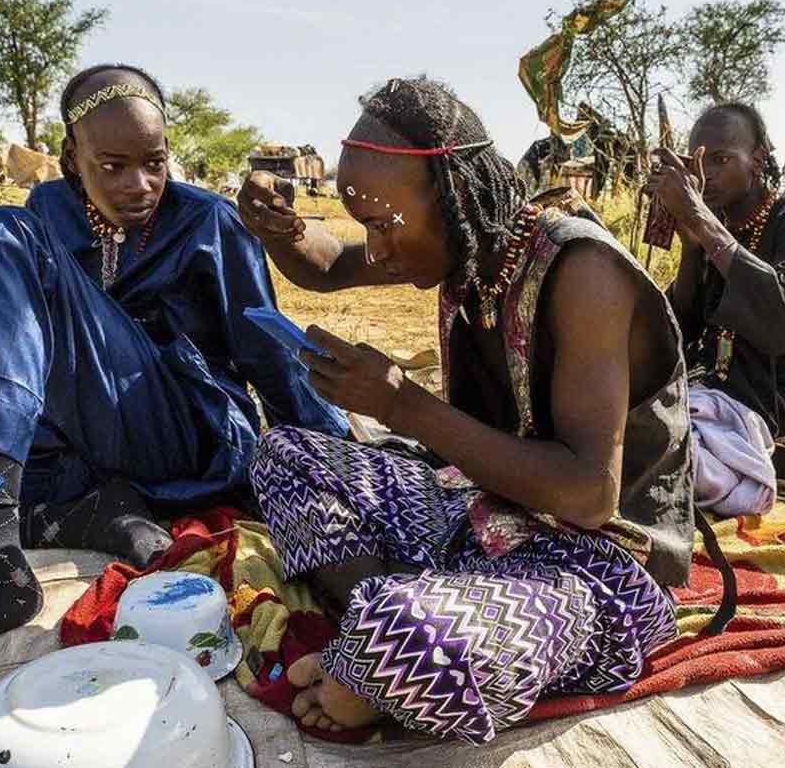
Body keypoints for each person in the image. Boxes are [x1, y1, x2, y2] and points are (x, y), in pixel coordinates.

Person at [237, 77, 693, 744]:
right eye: (370, 228)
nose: (380, 250)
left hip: (595, 564)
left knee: (409, 639)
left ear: (454, 200)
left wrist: (402, 406)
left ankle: (394, 637)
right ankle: (394, 628)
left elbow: (591, 496)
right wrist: (280, 232)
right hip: (479, 511)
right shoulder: (466, 246)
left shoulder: (582, 272)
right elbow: (327, 266)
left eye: (385, 226)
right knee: (284, 454)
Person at [0, 64, 347, 685]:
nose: (140, 184)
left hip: (179, 426)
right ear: (73, 158)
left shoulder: (207, 222)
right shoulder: (47, 215)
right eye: (112, 165)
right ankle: (70, 517)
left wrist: (328, 454)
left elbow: (267, 354)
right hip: (81, 437)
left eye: (155, 161)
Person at [650, 102, 785, 440]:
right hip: (712, 401)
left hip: (780, 419)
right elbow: (681, 327)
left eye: (721, 159)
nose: (706, 174)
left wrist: (701, 220)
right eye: (699, 162)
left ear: (756, 160)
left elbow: (784, 324)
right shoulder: (717, 229)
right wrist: (691, 246)